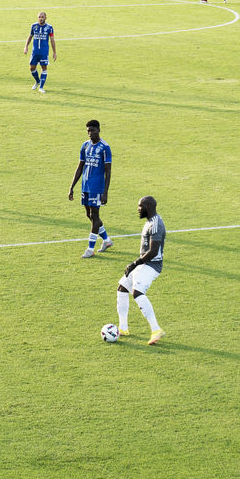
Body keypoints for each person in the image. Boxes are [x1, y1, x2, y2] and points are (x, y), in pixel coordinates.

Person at [116, 195, 165, 345]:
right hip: (144, 263)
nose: (138, 209)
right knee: (122, 288)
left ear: (148, 207)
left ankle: (156, 329)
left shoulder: (156, 224)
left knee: (137, 292)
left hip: (152, 265)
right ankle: (123, 328)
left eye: (140, 206)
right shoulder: (150, 221)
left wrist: (135, 263)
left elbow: (153, 251)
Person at [69, 119, 113, 257]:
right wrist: (72, 186)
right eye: (88, 131)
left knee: (95, 215)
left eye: (92, 130)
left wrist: (105, 192)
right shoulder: (85, 146)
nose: (90, 133)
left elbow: (108, 171)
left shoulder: (105, 147)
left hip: (97, 187)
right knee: (89, 215)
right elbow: (80, 167)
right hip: (85, 186)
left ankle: (90, 248)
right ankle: (107, 240)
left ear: (98, 130)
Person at [24, 11, 56, 92]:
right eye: (39, 17)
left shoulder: (49, 28)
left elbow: (52, 40)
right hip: (35, 52)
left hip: (44, 52)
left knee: (44, 68)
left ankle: (41, 87)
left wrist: (54, 52)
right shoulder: (34, 26)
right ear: (37, 18)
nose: (41, 18)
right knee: (32, 68)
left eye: (42, 17)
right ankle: (38, 81)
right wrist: (26, 46)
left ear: (45, 18)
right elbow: (30, 37)